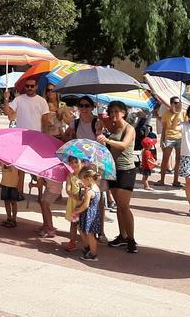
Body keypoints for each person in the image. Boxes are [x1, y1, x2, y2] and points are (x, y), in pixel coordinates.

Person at [65, 95, 108, 242]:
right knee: (83, 197)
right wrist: (69, 134)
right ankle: (85, 227)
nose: (83, 109)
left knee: (98, 198)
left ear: (92, 107)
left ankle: (100, 231)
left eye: (87, 106)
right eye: (81, 106)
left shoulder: (98, 122)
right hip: (81, 166)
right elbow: (67, 137)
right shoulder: (75, 123)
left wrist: (100, 131)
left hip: (96, 165)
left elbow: (102, 143)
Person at [99, 101, 139, 254]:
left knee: (124, 206)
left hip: (126, 170)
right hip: (112, 170)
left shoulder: (129, 128)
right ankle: (122, 236)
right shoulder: (111, 127)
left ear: (123, 112)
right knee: (119, 206)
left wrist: (107, 140)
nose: (113, 114)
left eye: (116, 111)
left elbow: (123, 145)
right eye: (111, 111)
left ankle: (131, 239)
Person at [4, 78, 49, 198]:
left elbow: (45, 120)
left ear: (36, 87)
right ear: (25, 87)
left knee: (38, 168)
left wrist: (44, 135)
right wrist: (6, 98)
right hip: (22, 137)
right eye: (27, 86)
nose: (29, 88)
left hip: (37, 137)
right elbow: (9, 115)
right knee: (20, 167)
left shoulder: (42, 101)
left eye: (32, 86)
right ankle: (19, 192)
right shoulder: (19, 99)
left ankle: (40, 195)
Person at [73, 165, 103, 262]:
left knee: (90, 235)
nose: (82, 182)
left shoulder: (89, 191)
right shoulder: (96, 188)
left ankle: (93, 254)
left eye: (83, 180)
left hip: (89, 215)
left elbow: (85, 205)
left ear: (88, 179)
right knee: (82, 229)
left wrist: (77, 211)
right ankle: (89, 248)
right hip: (93, 214)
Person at [156, 97, 185, 187]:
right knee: (165, 159)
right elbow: (164, 128)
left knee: (178, 160)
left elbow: (186, 126)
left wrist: (178, 112)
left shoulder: (183, 113)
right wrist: (162, 140)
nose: (177, 104)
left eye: (178, 102)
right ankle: (162, 180)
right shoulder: (166, 114)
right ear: (171, 103)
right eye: (175, 103)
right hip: (169, 138)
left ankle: (175, 181)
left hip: (180, 138)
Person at [64, 156, 84, 252]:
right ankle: (72, 241)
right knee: (74, 224)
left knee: (83, 225)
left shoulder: (85, 176)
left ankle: (87, 243)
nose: (74, 164)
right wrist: (73, 195)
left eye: (76, 162)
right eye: (71, 162)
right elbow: (67, 189)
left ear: (82, 163)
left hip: (83, 204)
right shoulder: (70, 176)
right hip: (74, 204)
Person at [0, 161, 20, 228]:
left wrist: (20, 185)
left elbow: (21, 172)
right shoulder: (1, 158)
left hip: (14, 184)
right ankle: (9, 218)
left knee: (13, 202)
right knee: (6, 201)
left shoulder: (16, 159)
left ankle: (14, 219)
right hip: (5, 183)